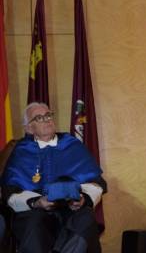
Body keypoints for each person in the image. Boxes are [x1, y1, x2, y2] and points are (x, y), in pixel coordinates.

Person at [1, 102, 106, 253]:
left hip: (72, 210)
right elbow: (10, 193)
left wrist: (83, 199)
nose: (47, 120)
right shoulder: (21, 151)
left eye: (48, 115)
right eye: (39, 118)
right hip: (36, 212)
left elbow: (96, 183)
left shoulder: (72, 144)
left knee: (86, 219)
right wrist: (36, 202)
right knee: (33, 223)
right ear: (29, 128)